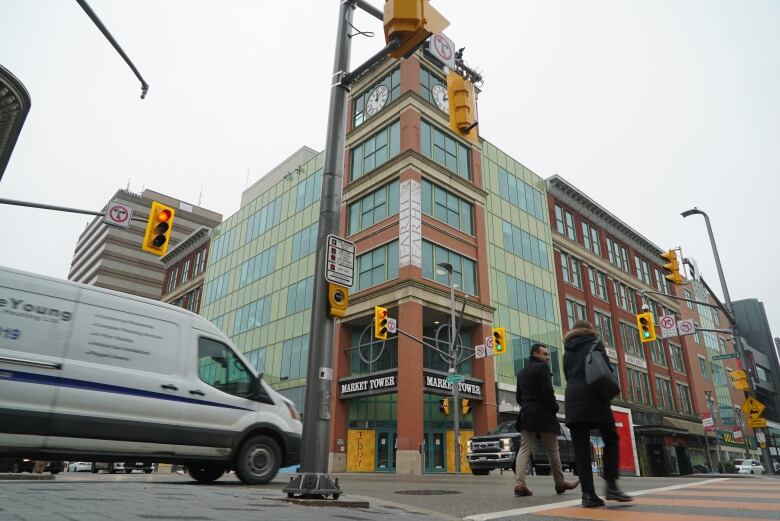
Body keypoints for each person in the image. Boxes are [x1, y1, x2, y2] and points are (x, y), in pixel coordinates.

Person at [563, 320, 632, 507]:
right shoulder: (594, 342)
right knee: (610, 438)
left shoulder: (567, 350)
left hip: (572, 398)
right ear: (589, 329)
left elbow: (567, 374)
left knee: (581, 448)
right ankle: (611, 485)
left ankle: (588, 494)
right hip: (594, 395)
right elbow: (606, 369)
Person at [513, 343, 579, 497]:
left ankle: (519, 484)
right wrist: (554, 406)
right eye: (545, 354)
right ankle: (560, 483)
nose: (548, 358)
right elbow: (547, 391)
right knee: (553, 449)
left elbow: (518, 397)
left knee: (524, 449)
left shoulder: (521, 372)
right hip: (543, 413)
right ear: (535, 354)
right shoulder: (542, 368)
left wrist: (527, 405)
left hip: (527, 413)